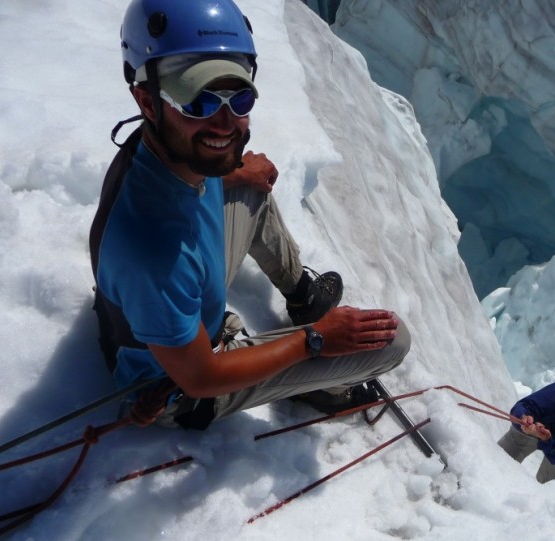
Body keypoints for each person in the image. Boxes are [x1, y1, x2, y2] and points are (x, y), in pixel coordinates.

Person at [88, 0, 409, 429]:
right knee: (392, 343)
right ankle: (323, 386)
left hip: (175, 310)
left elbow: (203, 156)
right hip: (176, 386)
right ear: (146, 101)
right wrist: (314, 340)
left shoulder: (160, 150)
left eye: (238, 98)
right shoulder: (154, 252)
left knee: (252, 191)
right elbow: (201, 377)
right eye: (197, 102)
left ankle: (301, 296)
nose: (225, 123)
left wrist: (236, 169)